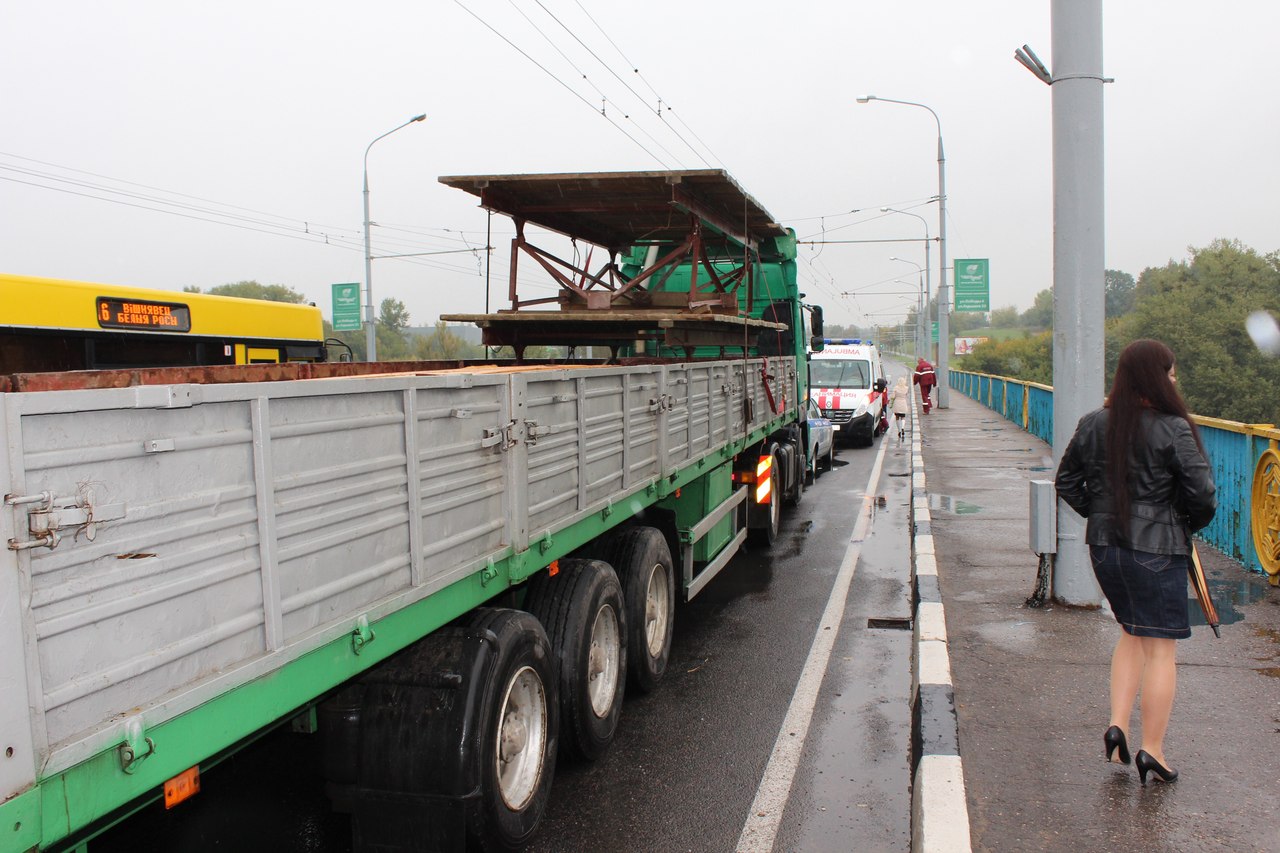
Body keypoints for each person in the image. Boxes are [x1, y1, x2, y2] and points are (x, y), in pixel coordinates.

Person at [1054, 339, 1216, 786]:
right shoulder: (1173, 428)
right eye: (1170, 371)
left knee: (1130, 633)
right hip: (1157, 551)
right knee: (1161, 649)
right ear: (1155, 378)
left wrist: (1102, 515)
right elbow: (1202, 495)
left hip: (1105, 550)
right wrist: (1183, 524)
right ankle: (1154, 751)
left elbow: (1066, 481)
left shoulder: (1094, 423)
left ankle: (1118, 726)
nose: (1175, 379)